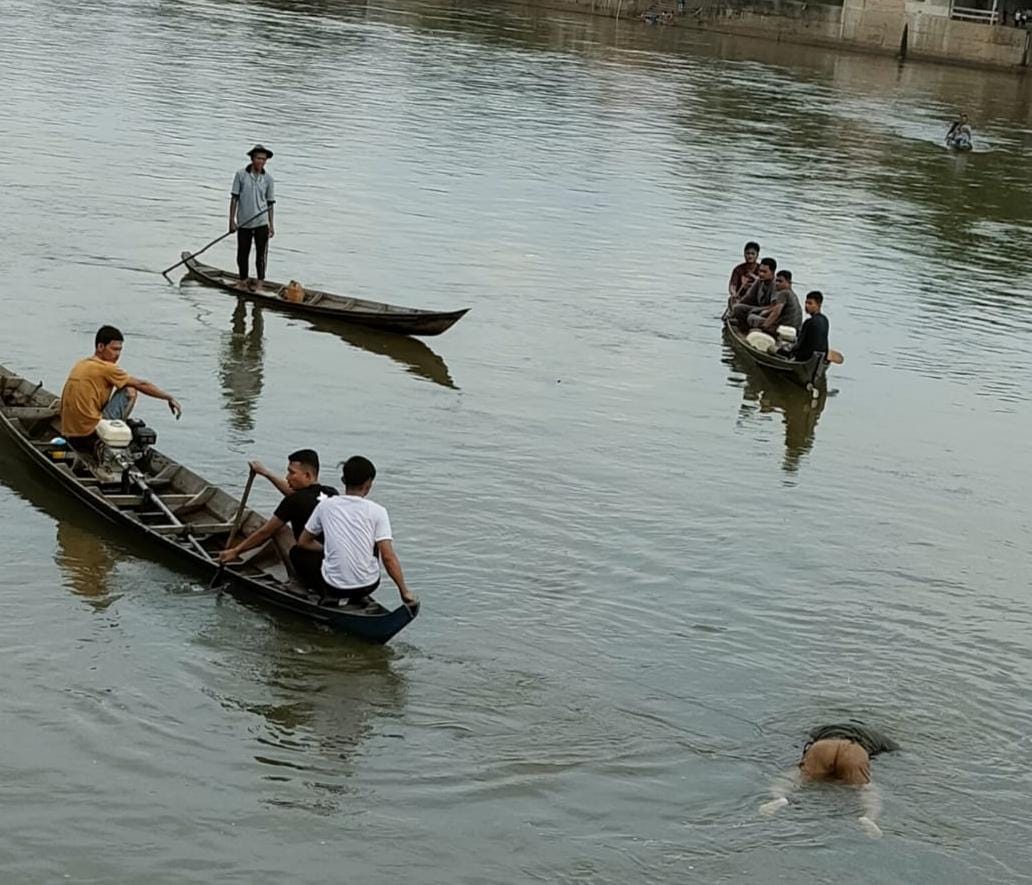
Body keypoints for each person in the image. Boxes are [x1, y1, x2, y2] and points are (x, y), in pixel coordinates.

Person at [293, 455, 416, 608]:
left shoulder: (325, 506)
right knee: (378, 541)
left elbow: (303, 541)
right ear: (368, 483)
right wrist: (404, 592)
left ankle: (326, 594)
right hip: (368, 585)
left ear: (344, 481)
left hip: (333, 586)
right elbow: (388, 557)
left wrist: (327, 550)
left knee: (297, 552)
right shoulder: (378, 511)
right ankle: (358, 596)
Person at [759, 722, 899, 837]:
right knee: (865, 788)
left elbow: (808, 737)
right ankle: (869, 817)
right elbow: (895, 751)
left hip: (823, 746)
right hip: (854, 750)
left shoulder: (821, 728)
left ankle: (779, 798)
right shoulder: (880, 738)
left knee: (796, 776)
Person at [60, 325, 182, 454]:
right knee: (130, 390)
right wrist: (168, 397)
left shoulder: (82, 363)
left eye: (120, 350)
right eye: (114, 349)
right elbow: (142, 384)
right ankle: (113, 434)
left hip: (69, 431)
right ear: (100, 347)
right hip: (89, 432)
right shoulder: (107, 368)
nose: (117, 354)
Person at [217, 450, 337, 564]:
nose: (287, 477)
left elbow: (265, 533)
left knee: (279, 530)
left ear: (307, 475)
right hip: (336, 558)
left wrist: (235, 552)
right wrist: (265, 473)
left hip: (314, 564)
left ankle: (295, 580)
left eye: (292, 472)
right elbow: (295, 494)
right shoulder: (332, 493)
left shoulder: (293, 501)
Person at [229, 144, 276, 291]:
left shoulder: (268, 179)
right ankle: (243, 280)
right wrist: (231, 221)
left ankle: (260, 283)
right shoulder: (241, 175)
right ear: (252, 159)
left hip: (261, 222)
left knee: (261, 255)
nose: (260, 161)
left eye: (263, 159)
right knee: (242, 253)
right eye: (258, 158)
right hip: (244, 222)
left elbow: (270, 204)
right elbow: (234, 198)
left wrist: (271, 225)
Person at [781, 290, 830, 361]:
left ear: (818, 305)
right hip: (820, 357)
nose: (807, 306)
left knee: (778, 351)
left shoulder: (809, 322)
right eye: (806, 303)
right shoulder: (825, 320)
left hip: (806, 357)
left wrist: (788, 349)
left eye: (810, 303)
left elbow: (799, 344)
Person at [730, 257, 777, 329]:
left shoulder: (776, 285)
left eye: (764, 272)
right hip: (758, 309)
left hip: (768, 313)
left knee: (752, 317)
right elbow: (748, 297)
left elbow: (774, 306)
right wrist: (737, 303)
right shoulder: (759, 281)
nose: (761, 274)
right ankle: (743, 325)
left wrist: (756, 310)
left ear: (772, 272)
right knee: (737, 308)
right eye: (760, 271)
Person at [753, 269, 802, 334]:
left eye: (780, 281)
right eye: (776, 281)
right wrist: (765, 313)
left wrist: (764, 327)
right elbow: (776, 308)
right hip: (795, 328)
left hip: (783, 327)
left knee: (752, 318)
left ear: (788, 282)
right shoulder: (792, 294)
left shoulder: (783, 293)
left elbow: (776, 312)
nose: (777, 283)